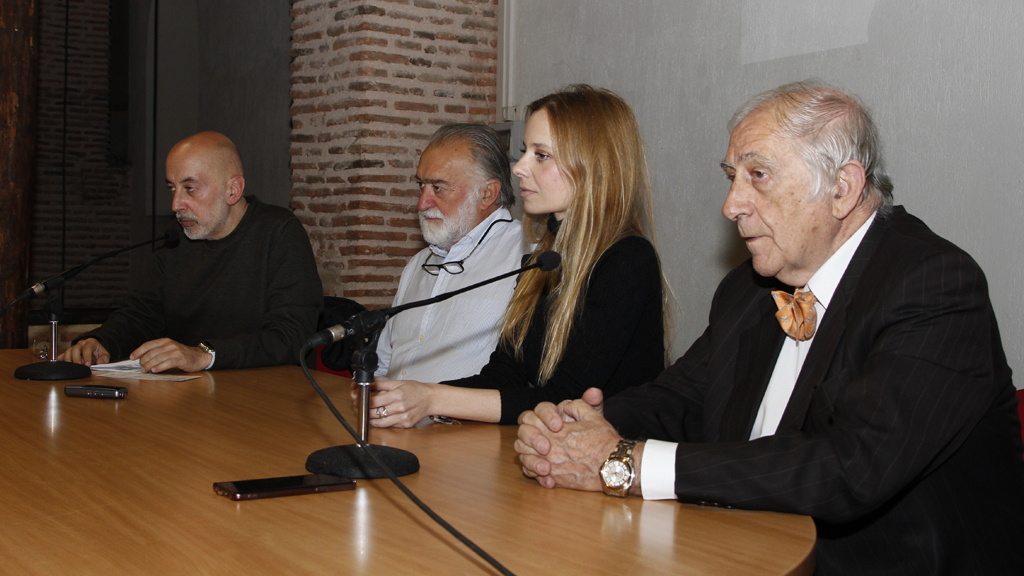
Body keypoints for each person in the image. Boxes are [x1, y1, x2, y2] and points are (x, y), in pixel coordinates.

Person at [516, 81, 1024, 575]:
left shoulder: (933, 284)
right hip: (741, 548)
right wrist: (569, 428)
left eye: (758, 175)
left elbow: (850, 468)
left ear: (842, 189)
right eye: (731, 176)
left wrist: (624, 462)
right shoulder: (749, 288)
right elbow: (683, 397)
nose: (731, 205)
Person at [366, 85, 666, 427]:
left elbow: (565, 396)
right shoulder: (546, 256)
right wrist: (410, 400)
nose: (519, 168)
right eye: (525, 152)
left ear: (591, 165)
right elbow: (504, 373)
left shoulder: (627, 259)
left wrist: (432, 398)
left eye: (541, 155)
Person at [60, 131, 323, 373]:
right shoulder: (177, 238)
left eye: (190, 188)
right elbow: (141, 315)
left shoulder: (278, 232)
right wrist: (101, 341)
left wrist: (204, 355)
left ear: (233, 190)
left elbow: (292, 336)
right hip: (193, 394)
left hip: (267, 395)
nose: (176, 204)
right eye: (172, 188)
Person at [374, 124, 532, 385]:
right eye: (421, 185)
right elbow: (385, 361)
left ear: (487, 193)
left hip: (465, 423)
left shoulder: (527, 257)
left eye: (438, 187)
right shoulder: (418, 264)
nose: (422, 203)